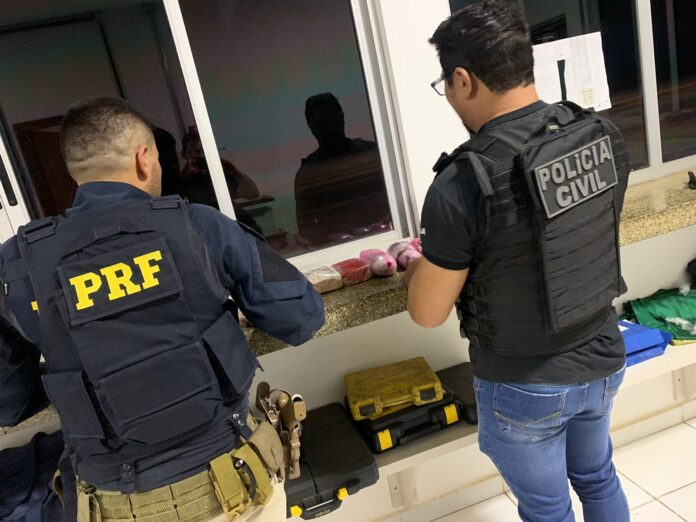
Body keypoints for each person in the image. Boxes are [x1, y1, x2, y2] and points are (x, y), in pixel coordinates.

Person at [0, 97, 325, 522]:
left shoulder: (19, 263)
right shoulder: (197, 225)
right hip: (233, 489)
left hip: (113, 506)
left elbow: (10, 403)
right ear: (144, 158)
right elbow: (302, 319)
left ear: (75, 171)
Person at [406, 2, 631, 521]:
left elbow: (427, 312)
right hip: (602, 355)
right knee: (598, 479)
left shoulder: (464, 182)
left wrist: (420, 264)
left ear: (463, 80)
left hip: (526, 384)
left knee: (548, 509)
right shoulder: (600, 135)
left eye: (445, 85)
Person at [294, 93, 391, 246]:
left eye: (332, 120)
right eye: (322, 123)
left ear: (342, 118)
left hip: (385, 239)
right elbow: (306, 229)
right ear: (311, 127)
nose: (329, 128)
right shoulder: (307, 174)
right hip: (338, 249)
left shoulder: (373, 155)